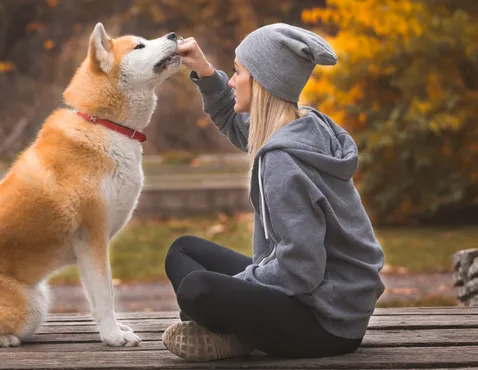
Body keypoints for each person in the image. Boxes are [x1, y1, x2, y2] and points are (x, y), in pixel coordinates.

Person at [162, 23, 386, 362]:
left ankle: (235, 334)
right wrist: (205, 71)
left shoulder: (283, 161)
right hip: (322, 299)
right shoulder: (304, 124)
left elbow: (301, 270)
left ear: (263, 83)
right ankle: (235, 329)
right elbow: (235, 123)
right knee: (182, 250)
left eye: (238, 72)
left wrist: (234, 290)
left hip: (326, 323)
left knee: (198, 289)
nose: (233, 80)